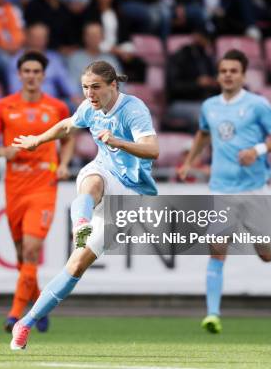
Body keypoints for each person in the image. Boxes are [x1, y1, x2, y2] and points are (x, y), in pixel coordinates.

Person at [9, 60, 159, 350]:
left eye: (96, 87)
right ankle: (81, 224)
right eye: (85, 87)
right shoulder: (89, 108)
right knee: (92, 183)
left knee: (76, 265)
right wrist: (37, 140)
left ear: (113, 85)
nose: (90, 93)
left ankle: (25, 322)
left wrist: (118, 141)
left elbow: (153, 149)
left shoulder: (133, 110)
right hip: (103, 171)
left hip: (130, 190)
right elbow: (68, 125)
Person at [177, 49, 271, 334]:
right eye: (223, 71)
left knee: (263, 253)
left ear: (243, 75)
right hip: (221, 189)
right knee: (217, 251)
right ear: (218, 76)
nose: (228, 75)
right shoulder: (210, 106)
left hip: (253, 188)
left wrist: (257, 150)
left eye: (233, 71)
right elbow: (204, 133)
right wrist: (189, 162)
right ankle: (213, 315)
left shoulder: (257, 105)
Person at [0, 50, 74, 333]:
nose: (32, 76)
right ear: (19, 74)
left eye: (37, 71)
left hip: (44, 186)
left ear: (44, 76)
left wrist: (64, 164)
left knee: (33, 250)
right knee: (23, 256)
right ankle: (39, 304)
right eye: (27, 71)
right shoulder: (3, 106)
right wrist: (2, 151)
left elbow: (69, 139)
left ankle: (15, 316)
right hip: (15, 187)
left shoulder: (58, 108)